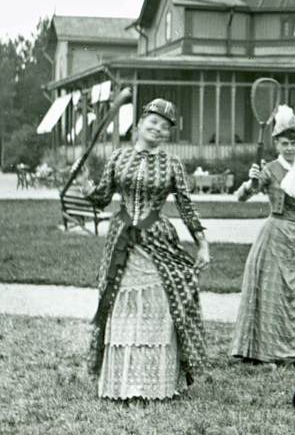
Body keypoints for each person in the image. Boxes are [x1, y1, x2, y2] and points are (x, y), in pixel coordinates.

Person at [83, 99, 210, 401]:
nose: (158, 129)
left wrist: (202, 242)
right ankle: (124, 382)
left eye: (165, 127)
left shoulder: (172, 164)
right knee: (121, 302)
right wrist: (89, 192)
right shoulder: (118, 158)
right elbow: (102, 198)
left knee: (161, 300)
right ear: (139, 124)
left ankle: (156, 381)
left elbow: (186, 205)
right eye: (153, 122)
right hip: (122, 240)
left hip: (156, 238)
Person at [230, 105, 295, 364]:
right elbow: (242, 197)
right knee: (273, 291)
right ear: (276, 144)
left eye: (293, 142)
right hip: (275, 234)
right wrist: (251, 182)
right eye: (284, 143)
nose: (289, 148)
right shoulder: (267, 169)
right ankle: (266, 351)